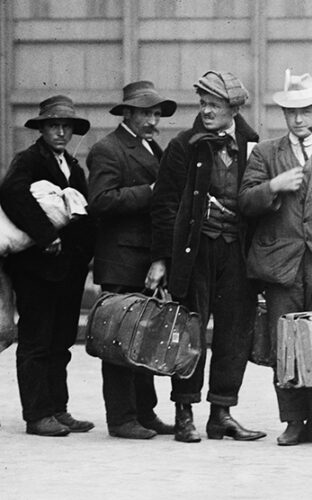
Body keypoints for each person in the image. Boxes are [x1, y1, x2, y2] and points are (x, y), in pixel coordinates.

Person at [239, 69, 312, 447]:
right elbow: (243, 201)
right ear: (284, 115)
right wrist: (272, 187)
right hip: (281, 267)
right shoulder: (265, 153)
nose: (299, 119)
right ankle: (293, 421)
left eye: (306, 111)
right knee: (285, 344)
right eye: (292, 112)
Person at [148, 71, 265, 443]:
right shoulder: (185, 145)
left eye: (214, 105)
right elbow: (165, 206)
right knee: (188, 332)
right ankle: (184, 412)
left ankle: (222, 414)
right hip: (194, 254)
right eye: (203, 103)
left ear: (233, 108)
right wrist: (162, 258)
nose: (206, 111)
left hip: (237, 254)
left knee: (235, 333)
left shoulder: (252, 145)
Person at [86, 81, 177, 440]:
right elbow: (101, 201)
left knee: (145, 339)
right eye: (146, 113)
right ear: (128, 113)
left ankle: (145, 412)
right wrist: (151, 193)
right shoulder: (107, 149)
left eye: (156, 114)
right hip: (121, 261)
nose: (154, 120)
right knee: (119, 341)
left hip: (145, 261)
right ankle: (122, 419)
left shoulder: (152, 147)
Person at [0, 95, 96, 436]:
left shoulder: (72, 164)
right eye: (53, 125)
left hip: (68, 270)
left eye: (66, 126)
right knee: (36, 341)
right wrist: (44, 236)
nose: (60, 131)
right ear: (41, 129)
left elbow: (83, 212)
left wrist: (84, 254)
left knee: (60, 342)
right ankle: (38, 414)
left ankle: (59, 408)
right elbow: (11, 193)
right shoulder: (28, 160)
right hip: (35, 269)